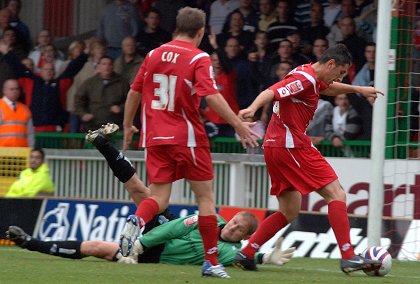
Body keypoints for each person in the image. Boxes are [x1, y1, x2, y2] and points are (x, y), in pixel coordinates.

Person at [120, 7, 260, 278]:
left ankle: (137, 220)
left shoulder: (153, 54)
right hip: (187, 138)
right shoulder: (199, 57)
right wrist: (238, 125)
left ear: (176, 29)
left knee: (158, 198)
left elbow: (134, 90)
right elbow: (212, 96)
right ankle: (210, 262)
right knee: (205, 198)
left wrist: (128, 126)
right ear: (200, 33)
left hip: (155, 137)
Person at [233, 44, 383, 274]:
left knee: (289, 211)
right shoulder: (305, 79)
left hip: (275, 147)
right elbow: (273, 90)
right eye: (340, 72)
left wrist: (358, 89)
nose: (339, 77)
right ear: (331, 64)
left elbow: (327, 88)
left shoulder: (309, 74)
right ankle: (347, 256)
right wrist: (252, 108)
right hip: (291, 145)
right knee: (337, 193)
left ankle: (247, 253)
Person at [5, 214, 295, 268]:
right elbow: (171, 230)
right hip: (154, 243)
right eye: (234, 222)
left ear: (245, 236)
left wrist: (265, 258)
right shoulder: (207, 220)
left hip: (157, 258)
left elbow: (245, 261)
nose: (233, 228)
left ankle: (30, 242)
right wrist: (140, 244)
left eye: (239, 228)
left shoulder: (230, 251)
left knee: (95, 248)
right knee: (148, 199)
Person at [74, 56, 129, 131]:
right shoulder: (90, 83)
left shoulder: (122, 83)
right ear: (99, 66)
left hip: (116, 126)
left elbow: (131, 101)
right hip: (93, 126)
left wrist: (121, 108)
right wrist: (83, 114)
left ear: (113, 66)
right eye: (104, 64)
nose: (107, 67)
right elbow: (78, 100)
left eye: (109, 64)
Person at [0, 79, 33, 147]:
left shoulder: (25, 109)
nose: (15, 91)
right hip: (3, 152)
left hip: (22, 152)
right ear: (4, 91)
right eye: (11, 89)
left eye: (17, 89)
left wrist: (30, 149)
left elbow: (30, 134)